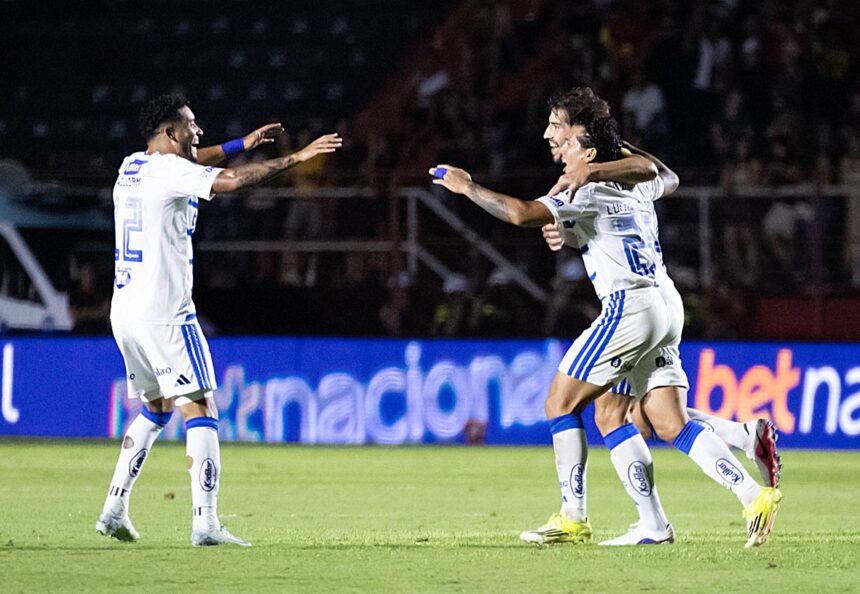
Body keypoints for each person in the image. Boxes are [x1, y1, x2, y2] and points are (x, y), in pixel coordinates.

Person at [429, 87, 782, 548]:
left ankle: (573, 516)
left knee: (560, 404)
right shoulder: (633, 183)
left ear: (588, 147)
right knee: (645, 416)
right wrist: (573, 228)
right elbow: (664, 177)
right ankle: (739, 498)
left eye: (559, 129)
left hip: (628, 308)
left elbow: (519, 214)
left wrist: (466, 186)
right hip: (664, 303)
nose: (548, 136)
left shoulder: (585, 184)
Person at [97, 94, 341, 546]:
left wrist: (240, 142)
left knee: (155, 408)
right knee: (201, 407)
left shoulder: (133, 164)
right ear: (171, 133)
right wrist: (296, 158)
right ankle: (205, 522)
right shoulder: (171, 171)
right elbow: (226, 182)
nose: (199, 132)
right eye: (191, 126)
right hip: (165, 311)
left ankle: (114, 507)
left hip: (126, 310)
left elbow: (193, 161)